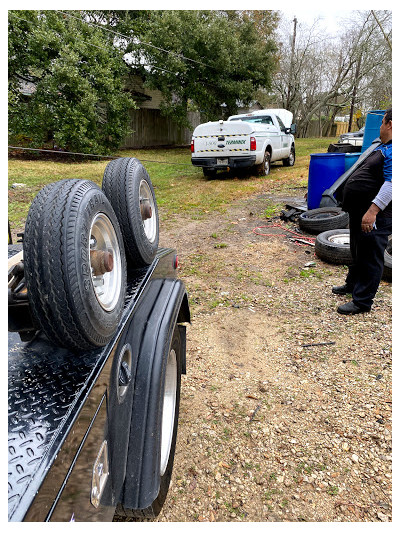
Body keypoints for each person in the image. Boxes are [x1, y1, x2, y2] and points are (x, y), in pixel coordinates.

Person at [332, 108, 392, 315]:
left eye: (383, 122)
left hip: (375, 214)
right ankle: (353, 285)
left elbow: (392, 184)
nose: (381, 126)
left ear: (390, 124)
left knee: (371, 256)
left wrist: (372, 211)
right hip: (359, 211)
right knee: (357, 250)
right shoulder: (384, 146)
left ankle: (362, 301)